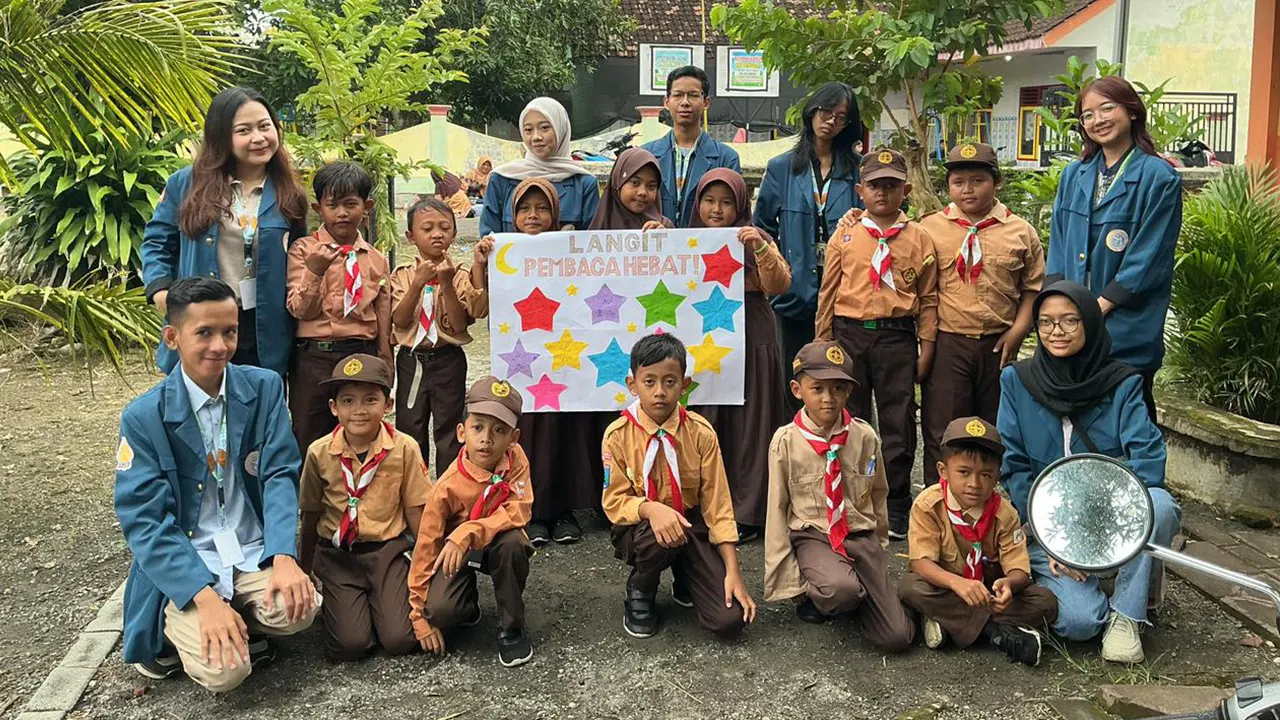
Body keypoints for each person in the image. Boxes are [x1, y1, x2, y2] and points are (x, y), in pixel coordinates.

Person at [114, 277, 318, 692]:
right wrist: (203, 598)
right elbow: (146, 522)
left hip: (247, 548)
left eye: (229, 332)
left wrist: (282, 554)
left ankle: (237, 617)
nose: (220, 346)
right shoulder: (143, 418)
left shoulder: (262, 388)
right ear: (172, 337)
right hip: (194, 557)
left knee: (302, 609)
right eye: (203, 333)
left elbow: (279, 472)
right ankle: (175, 624)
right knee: (227, 675)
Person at [998, 280, 1179, 664]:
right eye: (1045, 322)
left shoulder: (1122, 383)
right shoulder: (1018, 381)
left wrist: (1094, 528)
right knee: (1081, 623)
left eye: (1069, 321)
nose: (1056, 332)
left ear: (1091, 324)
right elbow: (1013, 466)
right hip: (1049, 524)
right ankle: (1095, 594)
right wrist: (1054, 542)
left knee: (1160, 505)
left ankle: (1128, 615)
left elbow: (1147, 458)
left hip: (1111, 513)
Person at [142, 86, 309, 378]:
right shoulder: (187, 184)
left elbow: (300, 256)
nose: (258, 138)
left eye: (264, 126)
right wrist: (161, 292)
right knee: (202, 405)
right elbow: (157, 241)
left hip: (264, 324)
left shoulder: (288, 191)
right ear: (222, 136)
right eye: (244, 130)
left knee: (259, 403)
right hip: (204, 318)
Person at [817, 148, 938, 538]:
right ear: (860, 190)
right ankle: (854, 497)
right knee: (848, 419)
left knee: (898, 422)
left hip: (897, 336)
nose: (883, 193)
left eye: (891, 185)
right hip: (850, 334)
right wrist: (822, 343)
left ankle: (897, 502)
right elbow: (829, 290)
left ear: (906, 189)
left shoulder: (919, 239)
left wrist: (928, 345)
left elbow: (929, 297)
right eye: (874, 186)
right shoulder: (847, 233)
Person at [602, 333, 757, 639]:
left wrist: (733, 571)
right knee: (658, 537)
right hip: (641, 532)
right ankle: (641, 587)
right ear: (632, 384)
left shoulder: (700, 433)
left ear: (684, 385)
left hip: (691, 526)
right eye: (649, 382)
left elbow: (718, 505)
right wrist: (651, 509)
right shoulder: (617, 435)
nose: (660, 392)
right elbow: (614, 501)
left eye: (669, 382)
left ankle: (686, 574)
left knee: (730, 620)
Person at [1047, 76, 1183, 422]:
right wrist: (1060, 307)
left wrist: (1095, 309)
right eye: (1088, 115)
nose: (1098, 120)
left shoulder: (1158, 177)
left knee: (1128, 423)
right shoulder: (1074, 175)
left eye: (1107, 108)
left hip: (1126, 328)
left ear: (1132, 111)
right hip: (1075, 324)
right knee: (1077, 423)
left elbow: (1148, 258)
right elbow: (1060, 245)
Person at [764, 341, 913, 651]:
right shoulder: (786, 441)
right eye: (817, 389)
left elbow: (879, 494)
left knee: (896, 638)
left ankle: (856, 593)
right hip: (814, 536)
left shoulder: (865, 436)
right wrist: (788, 581)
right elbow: (777, 509)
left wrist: (879, 550)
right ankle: (821, 595)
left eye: (837, 389)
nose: (828, 398)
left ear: (848, 392)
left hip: (859, 536)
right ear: (797, 389)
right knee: (840, 590)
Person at [473, 179, 599, 545]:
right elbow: (482, 298)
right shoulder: (502, 249)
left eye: (542, 208)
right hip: (522, 362)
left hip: (563, 359)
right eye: (524, 209)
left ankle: (562, 511)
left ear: (556, 214)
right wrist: (482, 260)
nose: (533, 216)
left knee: (562, 431)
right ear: (512, 215)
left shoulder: (570, 250)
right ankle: (530, 509)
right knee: (526, 431)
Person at [918, 142, 1044, 485]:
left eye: (977, 181)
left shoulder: (1020, 231)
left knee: (993, 427)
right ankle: (940, 503)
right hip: (949, 343)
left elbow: (1032, 287)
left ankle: (985, 505)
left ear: (997, 182)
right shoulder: (929, 228)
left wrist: (1019, 330)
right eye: (958, 182)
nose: (967, 189)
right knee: (942, 427)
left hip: (998, 344)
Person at [897, 416, 1058, 667]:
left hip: (987, 592)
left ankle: (946, 622)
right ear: (943, 470)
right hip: (946, 587)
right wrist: (958, 583)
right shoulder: (928, 505)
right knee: (910, 587)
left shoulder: (1005, 513)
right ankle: (994, 632)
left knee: (1045, 602)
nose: (974, 484)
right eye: (963, 472)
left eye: (985, 474)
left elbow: (1020, 570)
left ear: (997, 476)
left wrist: (1009, 584)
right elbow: (920, 563)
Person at [297, 354, 425, 661]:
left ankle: (381, 601)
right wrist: (304, 567)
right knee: (351, 646)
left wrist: (426, 571)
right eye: (348, 401)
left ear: (388, 405)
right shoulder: (319, 452)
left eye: (370, 400)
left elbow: (417, 513)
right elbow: (311, 511)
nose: (359, 410)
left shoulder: (405, 448)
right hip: (337, 555)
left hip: (387, 552)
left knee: (399, 641)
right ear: (333, 408)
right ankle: (348, 604)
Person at [688, 168, 791, 542]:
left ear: (741, 205)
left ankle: (749, 510)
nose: (717, 210)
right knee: (708, 418)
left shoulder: (753, 236)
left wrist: (760, 248)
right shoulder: (684, 239)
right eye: (709, 201)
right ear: (697, 203)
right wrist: (656, 242)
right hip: (704, 340)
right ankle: (704, 505)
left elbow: (779, 284)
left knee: (751, 422)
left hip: (750, 334)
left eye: (727, 202)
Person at [408, 376, 536, 667]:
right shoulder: (447, 487)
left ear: (513, 439)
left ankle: (511, 627)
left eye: (499, 430)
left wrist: (470, 530)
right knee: (440, 613)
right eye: (477, 427)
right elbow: (426, 547)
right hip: (457, 553)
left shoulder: (516, 460)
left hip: (494, 544)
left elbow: (520, 509)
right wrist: (418, 614)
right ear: (461, 431)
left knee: (515, 543)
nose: (486, 438)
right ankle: (466, 605)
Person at [754, 81, 864, 404]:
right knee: (794, 381)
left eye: (841, 116)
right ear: (812, 111)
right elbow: (762, 226)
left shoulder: (858, 170)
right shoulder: (782, 168)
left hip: (846, 294)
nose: (831, 120)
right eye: (825, 111)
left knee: (842, 382)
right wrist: (779, 268)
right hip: (794, 295)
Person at [285, 162, 393, 451]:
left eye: (351, 204)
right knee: (309, 435)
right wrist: (315, 272)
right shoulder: (303, 251)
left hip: (362, 352)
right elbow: (299, 310)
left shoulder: (376, 259)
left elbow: (383, 313)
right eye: (333, 205)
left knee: (362, 435)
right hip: (314, 359)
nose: (342, 213)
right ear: (318, 208)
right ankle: (309, 496)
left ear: (366, 205)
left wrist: (386, 360)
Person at [390, 196, 479, 476]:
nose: (437, 234)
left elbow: (458, 325)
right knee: (410, 426)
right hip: (411, 360)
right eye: (427, 228)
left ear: (454, 233)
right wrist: (417, 284)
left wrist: (447, 285)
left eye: (444, 227)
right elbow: (399, 320)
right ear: (410, 236)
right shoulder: (402, 275)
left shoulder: (460, 275)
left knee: (449, 428)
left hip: (447, 359)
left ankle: (448, 490)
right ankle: (415, 493)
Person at [480, 97, 600, 235]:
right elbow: (489, 239)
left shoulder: (584, 184)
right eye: (528, 130)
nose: (536, 137)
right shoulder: (501, 179)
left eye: (544, 128)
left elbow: (592, 243)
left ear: (561, 128)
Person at [640, 65, 742, 227]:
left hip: (704, 248)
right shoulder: (646, 155)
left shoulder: (726, 158)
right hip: (657, 247)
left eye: (693, 95)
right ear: (666, 101)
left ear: (706, 102)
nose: (685, 102)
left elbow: (733, 214)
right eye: (678, 95)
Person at [589, 147, 672, 231]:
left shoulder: (664, 226)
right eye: (635, 183)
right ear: (618, 183)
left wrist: (665, 238)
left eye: (651, 186)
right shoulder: (601, 226)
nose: (642, 192)